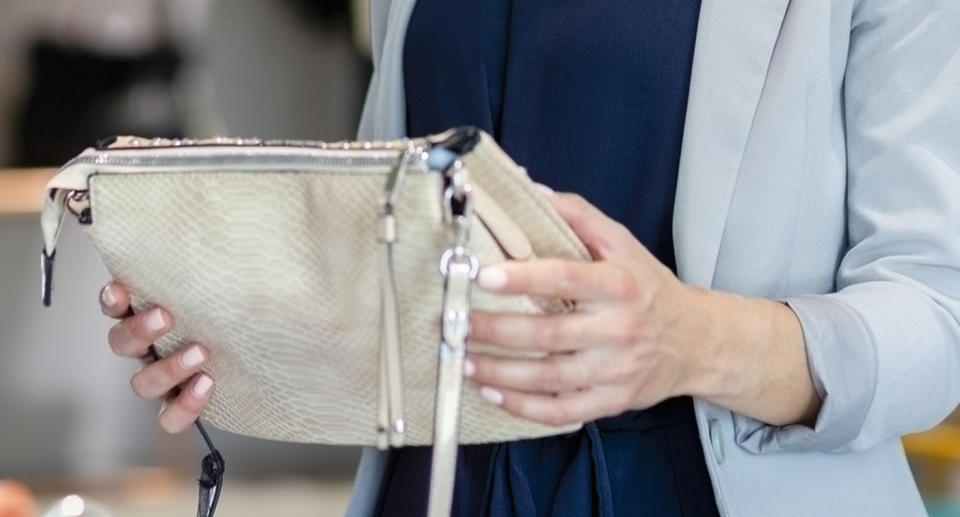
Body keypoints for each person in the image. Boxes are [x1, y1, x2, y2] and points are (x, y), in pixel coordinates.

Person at [99, 0, 960, 515]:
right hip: (438, 490)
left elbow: (938, 312)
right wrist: (230, 314)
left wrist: (692, 340)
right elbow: (402, 246)